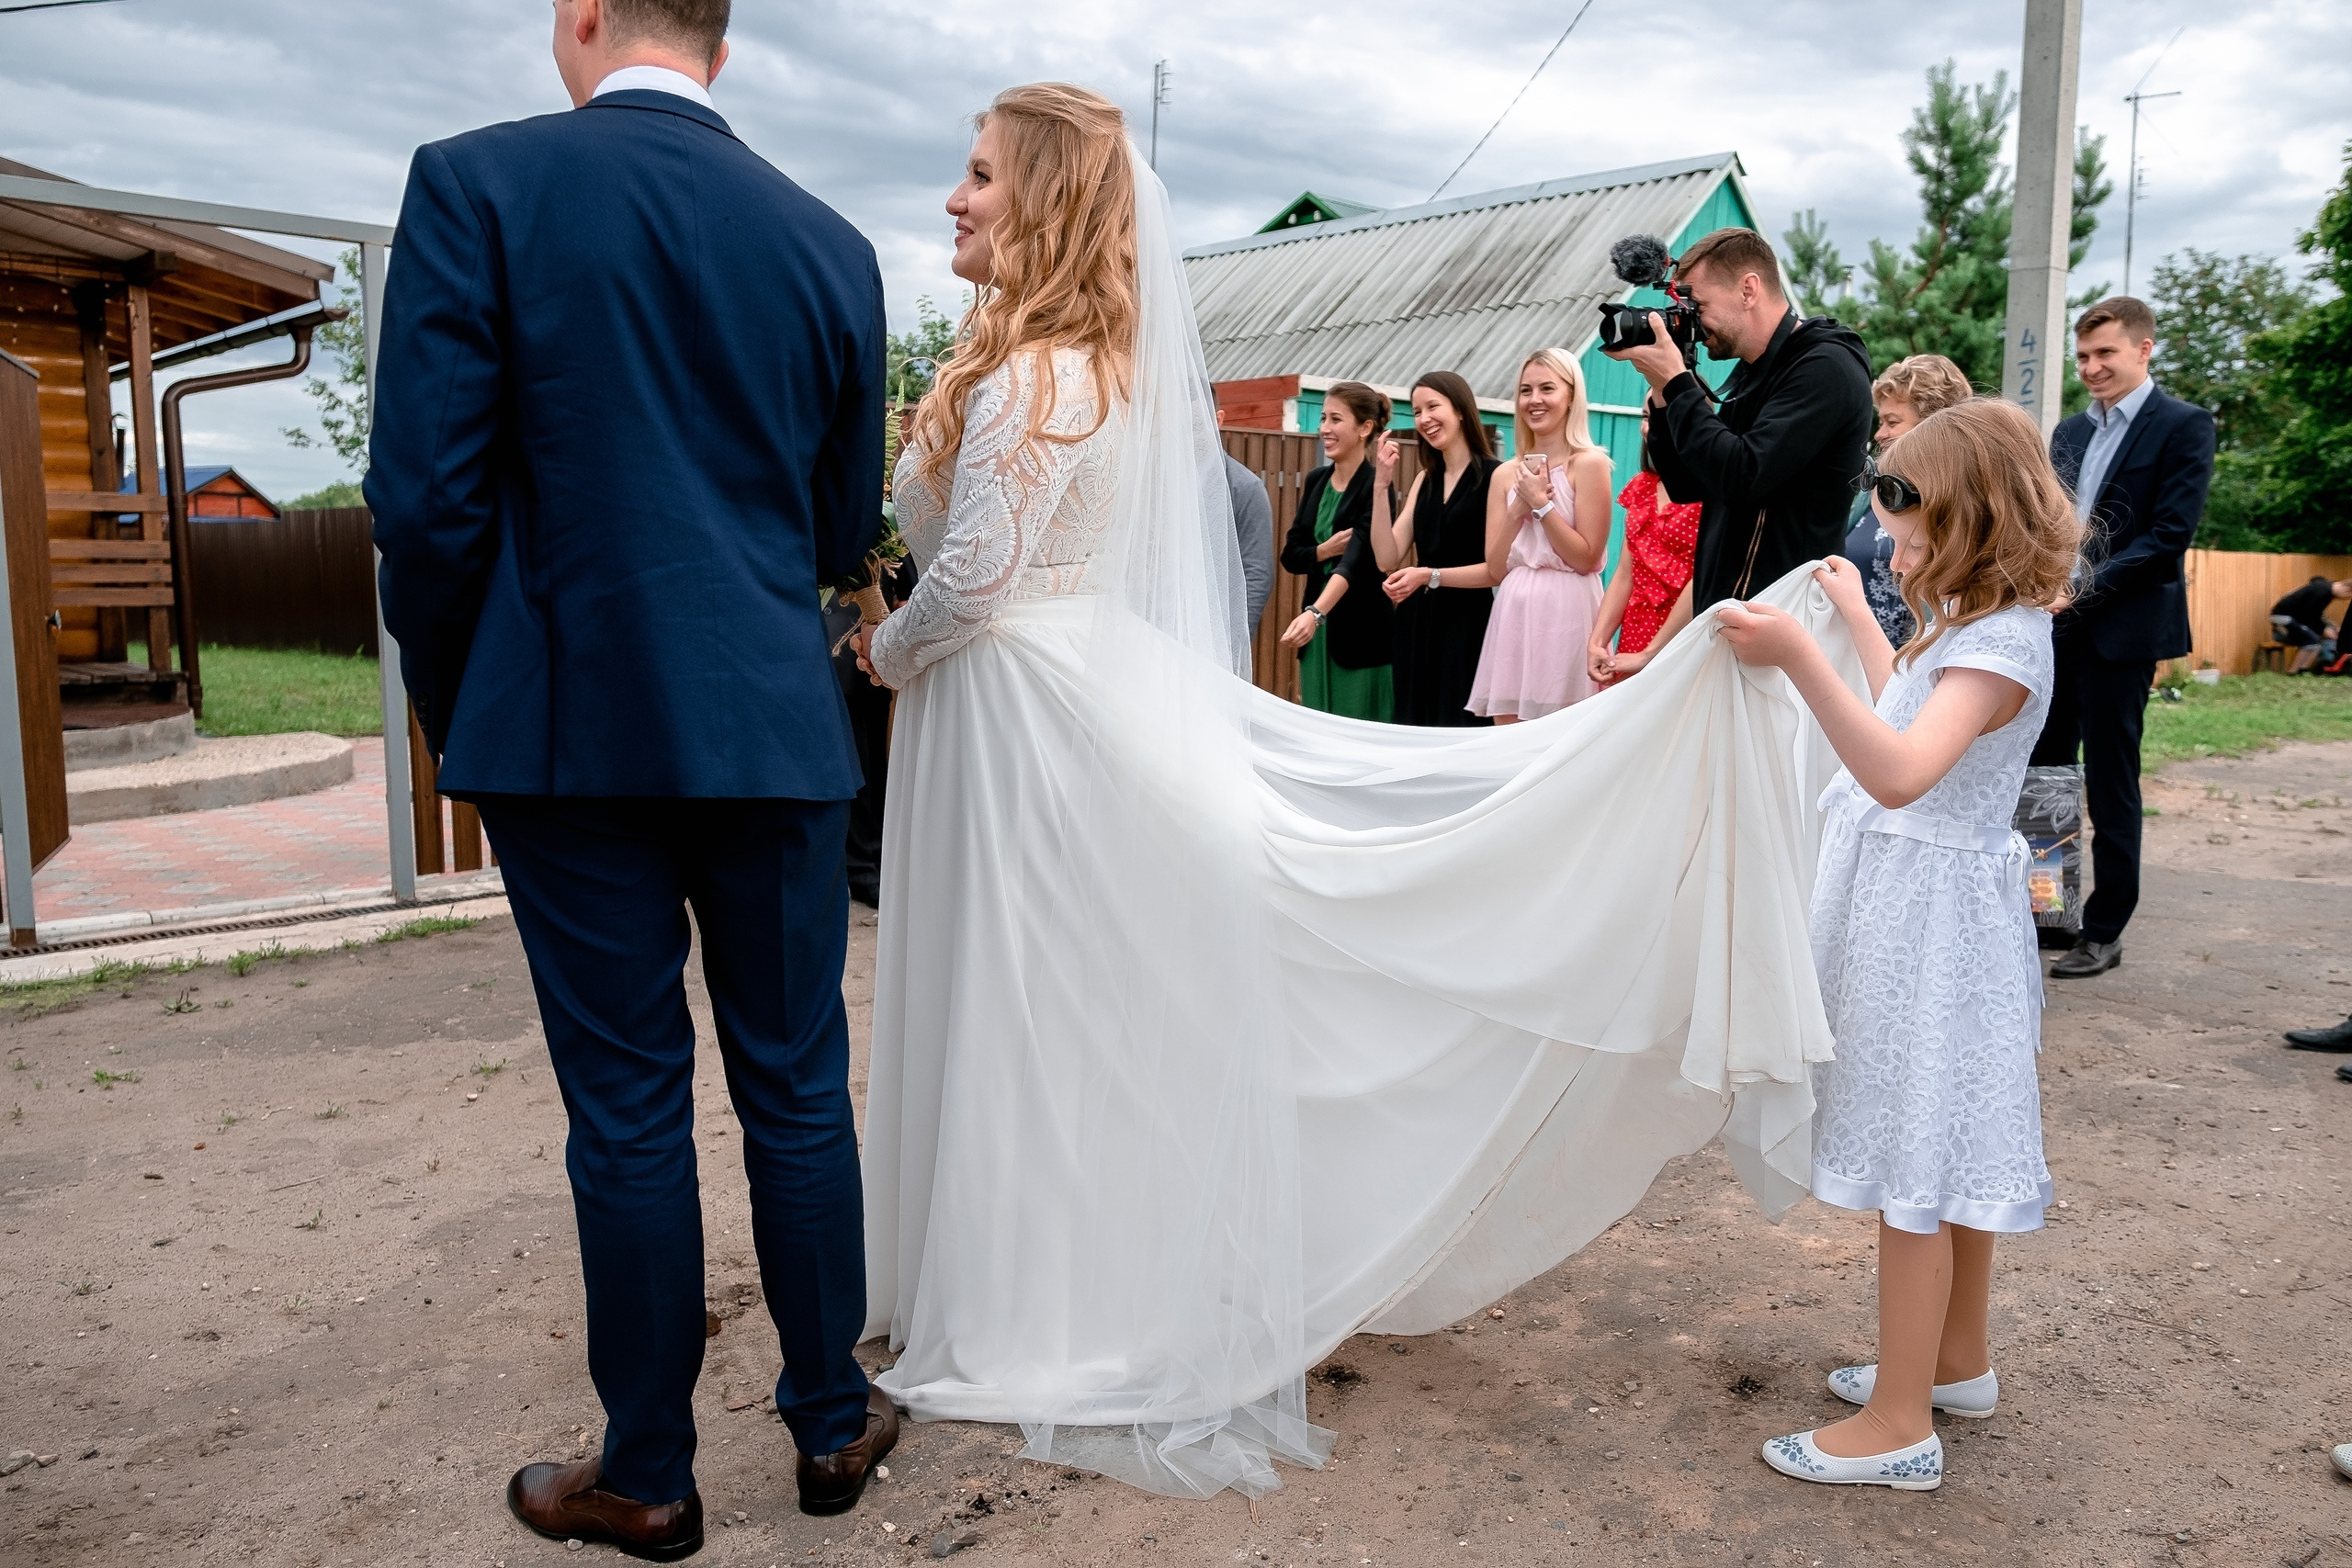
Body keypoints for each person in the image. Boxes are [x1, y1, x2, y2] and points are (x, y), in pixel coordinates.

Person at [853, 81, 1861, 1502]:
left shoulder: (1032, 376)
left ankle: (1037, 1286)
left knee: (1035, 990)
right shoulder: (1086, 368)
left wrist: (886, 648)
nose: (955, 198)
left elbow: (975, 575)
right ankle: (1035, 1255)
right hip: (1054, 695)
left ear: (1048, 199)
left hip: (1019, 709)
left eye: (977, 175)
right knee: (1059, 991)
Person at [366, 0, 893, 1553]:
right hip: (771, 725)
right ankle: (829, 1418)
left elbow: (426, 501)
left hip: (569, 719)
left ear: (582, 16)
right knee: (798, 1082)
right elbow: (827, 525)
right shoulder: (829, 245)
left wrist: (470, 698)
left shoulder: (475, 184)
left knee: (629, 1102)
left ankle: (650, 1468)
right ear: (718, 46)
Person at [1717, 397, 2081, 1492]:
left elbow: (1898, 770)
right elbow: (1909, 711)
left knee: (1915, 1159)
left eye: (1906, 509)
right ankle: (1953, 1362)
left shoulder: (2008, 638)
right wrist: (1855, 621)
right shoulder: (1974, 628)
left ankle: (1896, 1425)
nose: (1886, 535)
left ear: (1973, 512)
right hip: (1917, 908)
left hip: (1933, 926)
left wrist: (1794, 658)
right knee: (1944, 1142)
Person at [2035, 297, 2218, 980]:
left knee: (2112, 781)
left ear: (2144, 350)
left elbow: (2169, 537)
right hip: (2052, 624)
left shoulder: (2184, 426)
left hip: (2123, 629)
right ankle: (2049, 913)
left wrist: (2079, 589)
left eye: (2105, 353)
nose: (2091, 368)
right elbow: (2048, 521)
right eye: (2083, 356)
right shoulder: (2070, 433)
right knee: (2045, 777)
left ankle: (2105, 929)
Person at [1600, 226, 1872, 677]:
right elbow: (1689, 482)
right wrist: (1664, 391)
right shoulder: (1752, 371)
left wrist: (1678, 384)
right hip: (1732, 618)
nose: (1690, 319)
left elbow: (1743, 476)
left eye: (1698, 306)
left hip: (1786, 628)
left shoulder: (1825, 366)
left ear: (1749, 289)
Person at [1466, 348, 1611, 722]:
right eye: (1526, 390)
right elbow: (1496, 569)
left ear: (1570, 395)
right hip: (1514, 609)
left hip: (1568, 610)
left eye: (1547, 388)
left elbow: (1587, 558)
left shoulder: (1590, 464)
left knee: (1564, 733)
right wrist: (1518, 509)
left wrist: (1543, 508)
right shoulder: (1503, 475)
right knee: (1508, 733)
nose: (1535, 400)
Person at [1366, 372, 1501, 726]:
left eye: (1432, 407)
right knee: (1415, 723)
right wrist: (1380, 487)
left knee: (1460, 724)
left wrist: (1429, 575)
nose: (1424, 419)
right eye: (1416, 412)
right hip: (1416, 625)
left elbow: (1495, 569)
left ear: (1459, 410)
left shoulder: (1494, 476)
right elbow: (1387, 557)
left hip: (1469, 624)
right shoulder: (1425, 479)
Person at [1277, 381, 1395, 719]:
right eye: (1323, 418)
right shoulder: (1316, 480)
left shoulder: (1376, 487)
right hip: (1317, 634)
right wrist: (1323, 551)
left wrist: (1316, 613)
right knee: (1316, 730)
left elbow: (1356, 563)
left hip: (1361, 634)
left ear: (1365, 428)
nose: (1324, 428)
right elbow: (1291, 555)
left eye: (1335, 419)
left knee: (1359, 733)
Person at [1843, 355, 1973, 648]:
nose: (1879, 434)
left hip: (1910, 667)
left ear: (1933, 426)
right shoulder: (1872, 486)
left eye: (1892, 422)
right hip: (1852, 661)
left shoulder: (1960, 505)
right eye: (1881, 421)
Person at [1588, 410, 1701, 686]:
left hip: (1685, 635)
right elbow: (1626, 573)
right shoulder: (1642, 486)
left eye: (1661, 415)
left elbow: (1703, 579)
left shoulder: (1714, 491)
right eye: (1646, 416)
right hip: (1636, 635)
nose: (1646, 427)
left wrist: (1651, 653)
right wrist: (1598, 641)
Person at [1224, 450, 1275, 632]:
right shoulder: (1155, 480)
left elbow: (1257, 572)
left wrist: (1236, 641)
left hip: (1213, 638)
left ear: (1219, 419)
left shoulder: (1245, 487)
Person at [2270, 576, 2350, 672]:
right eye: (2348, 596)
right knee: (2311, 640)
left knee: (2315, 642)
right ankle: (2293, 671)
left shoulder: (2325, 591)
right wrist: (2323, 630)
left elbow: (2314, 615)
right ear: (2347, 590)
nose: (2345, 599)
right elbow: (2309, 614)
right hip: (2284, 617)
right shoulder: (2321, 591)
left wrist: (2326, 628)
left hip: (2292, 618)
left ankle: (2302, 669)